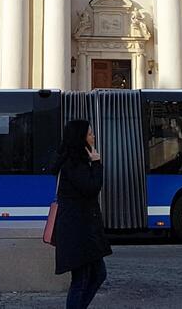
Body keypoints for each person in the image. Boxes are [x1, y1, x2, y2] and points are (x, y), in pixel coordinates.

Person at [52, 119, 112, 309]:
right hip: (78, 232)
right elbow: (91, 188)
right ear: (80, 138)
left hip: (82, 231)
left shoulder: (75, 161)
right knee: (82, 279)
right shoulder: (73, 163)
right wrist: (97, 164)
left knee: (96, 274)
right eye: (89, 133)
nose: (93, 137)